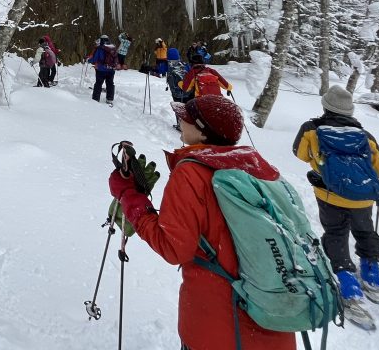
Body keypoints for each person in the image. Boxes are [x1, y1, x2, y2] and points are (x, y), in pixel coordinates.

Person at [108, 96, 295, 350]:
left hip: (216, 327)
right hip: (277, 320)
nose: (180, 119)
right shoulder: (260, 168)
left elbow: (174, 248)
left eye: (186, 117)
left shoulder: (191, 172)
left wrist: (130, 197)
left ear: (202, 132)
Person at [292, 84, 379, 326]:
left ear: (325, 106)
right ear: (350, 110)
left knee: (336, 232)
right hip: (363, 197)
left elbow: (299, 153)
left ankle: (346, 279)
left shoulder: (311, 129)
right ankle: (372, 273)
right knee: (364, 230)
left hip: (329, 194)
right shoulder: (364, 135)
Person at [87, 35, 119, 105]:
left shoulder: (100, 48)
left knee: (98, 83)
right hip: (111, 70)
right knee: (110, 84)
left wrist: (89, 60)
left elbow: (94, 59)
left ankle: (96, 99)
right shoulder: (113, 48)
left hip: (101, 69)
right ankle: (109, 99)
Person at [165, 47, 189, 130]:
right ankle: (190, 126)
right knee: (188, 108)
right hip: (188, 91)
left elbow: (160, 70)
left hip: (176, 93)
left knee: (179, 108)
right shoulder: (184, 64)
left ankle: (180, 125)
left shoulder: (169, 65)